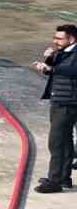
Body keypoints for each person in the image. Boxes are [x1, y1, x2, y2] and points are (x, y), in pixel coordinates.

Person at [34, 24, 77, 193]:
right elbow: (59, 72)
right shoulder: (66, 52)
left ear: (71, 38)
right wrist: (49, 61)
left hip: (68, 102)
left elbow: (72, 70)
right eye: (55, 38)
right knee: (65, 140)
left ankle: (55, 181)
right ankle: (63, 178)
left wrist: (52, 66)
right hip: (61, 98)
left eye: (59, 38)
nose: (55, 41)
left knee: (57, 141)